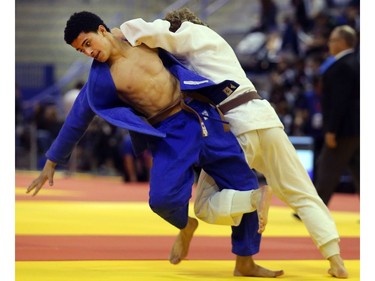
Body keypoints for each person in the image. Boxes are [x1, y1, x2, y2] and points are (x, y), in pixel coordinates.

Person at [25, 11, 282, 278]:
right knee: (161, 200)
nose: (88, 52)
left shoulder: (141, 35)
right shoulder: (101, 80)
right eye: (81, 50)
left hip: (199, 112)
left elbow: (184, 40)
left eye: (87, 43)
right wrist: (52, 161)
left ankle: (245, 262)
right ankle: (185, 225)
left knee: (245, 183)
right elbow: (78, 118)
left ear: (102, 30)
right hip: (169, 132)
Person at [117, 7, 348, 278]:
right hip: (264, 116)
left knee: (203, 206)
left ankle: (254, 197)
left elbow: (153, 31)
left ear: (178, 26)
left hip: (235, 127)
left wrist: (118, 33)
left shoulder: (190, 33)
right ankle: (335, 259)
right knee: (302, 191)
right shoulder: (216, 45)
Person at [314, 25, 360, 207]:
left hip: (343, 129)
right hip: (355, 127)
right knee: (359, 170)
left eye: (332, 40)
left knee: (327, 167)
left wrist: (332, 130)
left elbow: (339, 102)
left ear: (342, 42)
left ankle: (315, 211)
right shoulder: (357, 62)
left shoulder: (342, 66)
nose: (329, 43)